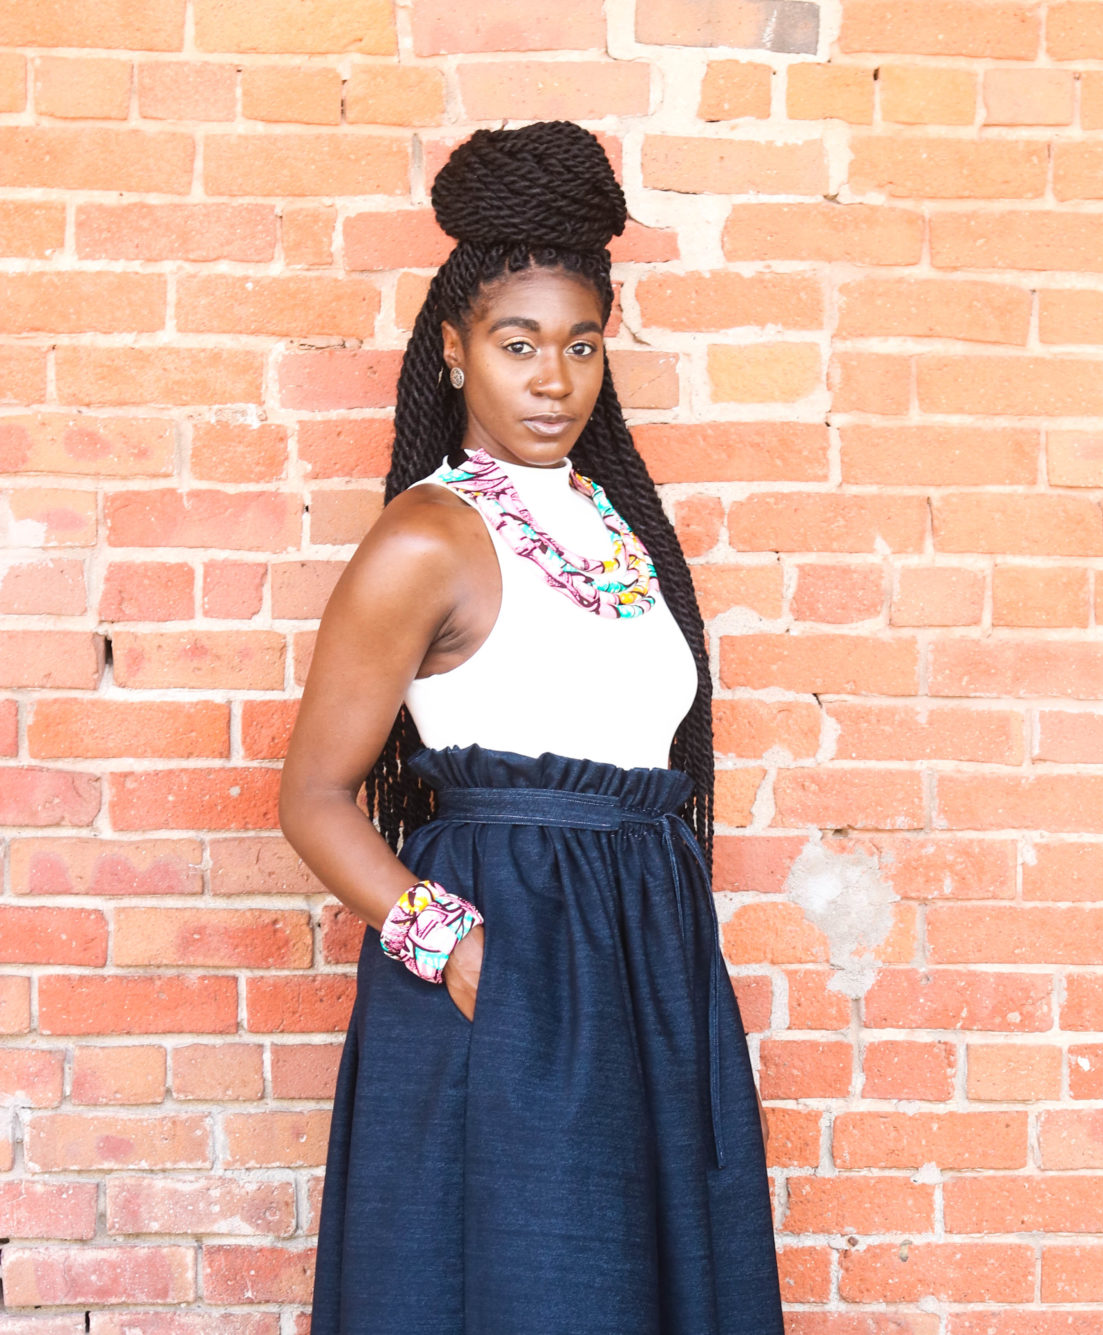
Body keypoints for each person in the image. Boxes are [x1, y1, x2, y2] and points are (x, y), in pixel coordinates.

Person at [278, 121, 785, 1334]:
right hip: (508, 958)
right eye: (517, 345)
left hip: (645, 960)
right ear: (454, 353)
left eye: (580, 345)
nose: (551, 378)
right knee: (513, 1288)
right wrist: (457, 954)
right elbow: (312, 797)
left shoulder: (618, 526)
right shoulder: (427, 536)